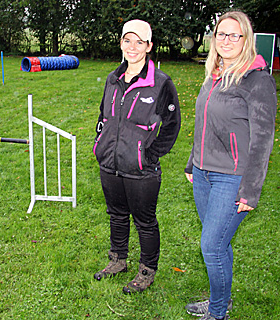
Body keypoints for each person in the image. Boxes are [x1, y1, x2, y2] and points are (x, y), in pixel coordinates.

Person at [184, 11, 277, 320]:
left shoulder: (257, 80)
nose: (225, 40)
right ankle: (218, 301)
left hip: (232, 178)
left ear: (246, 40)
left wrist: (250, 190)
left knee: (211, 246)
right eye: (220, 34)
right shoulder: (215, 72)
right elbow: (204, 122)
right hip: (202, 173)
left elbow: (262, 140)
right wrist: (191, 162)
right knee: (219, 244)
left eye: (233, 35)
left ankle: (218, 311)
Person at [93, 19, 181, 294]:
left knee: (145, 221)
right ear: (121, 43)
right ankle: (118, 260)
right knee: (116, 215)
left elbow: (172, 125)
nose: (132, 47)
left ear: (149, 46)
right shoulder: (112, 78)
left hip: (141, 169)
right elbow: (103, 116)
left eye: (139, 42)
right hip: (110, 163)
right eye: (127, 40)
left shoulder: (161, 83)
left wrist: (149, 155)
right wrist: (100, 143)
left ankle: (146, 271)